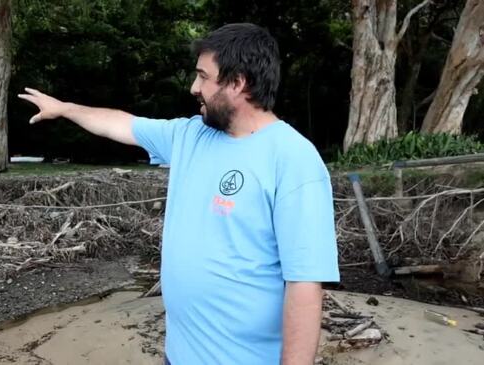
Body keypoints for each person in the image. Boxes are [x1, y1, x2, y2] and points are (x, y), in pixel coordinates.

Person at [19, 23, 339, 365]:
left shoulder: (293, 159)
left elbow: (305, 286)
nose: (193, 87)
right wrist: (66, 109)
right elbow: (122, 124)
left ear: (238, 82)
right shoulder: (190, 135)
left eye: (203, 76)